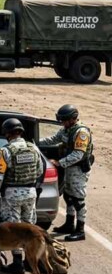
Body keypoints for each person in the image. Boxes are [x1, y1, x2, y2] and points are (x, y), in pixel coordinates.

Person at [0, 118, 43, 274]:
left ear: (7, 134)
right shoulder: (34, 148)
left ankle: (17, 263)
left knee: (13, 229)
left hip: (12, 195)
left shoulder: (5, 151)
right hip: (30, 193)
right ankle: (29, 261)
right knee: (29, 226)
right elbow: (39, 171)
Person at [38, 104, 93, 242]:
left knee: (78, 199)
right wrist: (34, 141)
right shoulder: (67, 129)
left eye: (64, 120)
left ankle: (80, 230)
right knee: (68, 196)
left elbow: (78, 155)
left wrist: (59, 163)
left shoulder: (81, 133)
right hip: (69, 168)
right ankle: (69, 224)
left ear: (73, 119)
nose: (62, 122)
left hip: (78, 169)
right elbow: (53, 140)